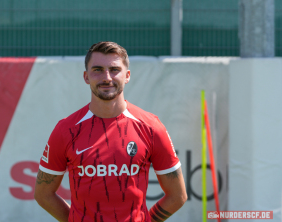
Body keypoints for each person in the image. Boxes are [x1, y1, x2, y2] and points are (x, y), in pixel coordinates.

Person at [34, 41, 187, 222]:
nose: (107, 77)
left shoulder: (151, 127)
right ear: (86, 76)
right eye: (97, 70)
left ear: (127, 75)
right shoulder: (66, 130)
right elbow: (43, 194)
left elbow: (177, 196)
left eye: (114, 70)